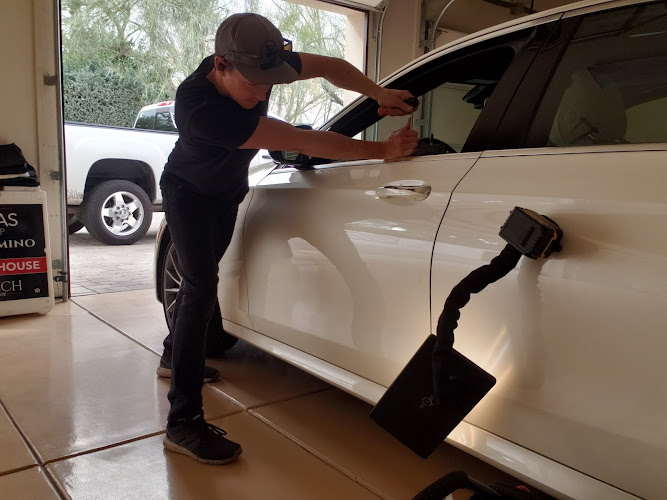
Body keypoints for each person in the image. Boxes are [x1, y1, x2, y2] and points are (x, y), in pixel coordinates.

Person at [157, 12, 419, 465]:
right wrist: (382, 151)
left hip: (226, 193)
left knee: (204, 280)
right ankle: (182, 422)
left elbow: (332, 66)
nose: (263, 93)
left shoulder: (257, 63)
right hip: (188, 194)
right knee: (200, 286)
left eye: (269, 84)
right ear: (220, 66)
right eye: (254, 85)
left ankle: (171, 354)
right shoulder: (199, 109)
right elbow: (304, 141)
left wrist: (379, 93)